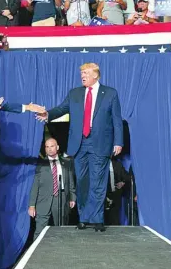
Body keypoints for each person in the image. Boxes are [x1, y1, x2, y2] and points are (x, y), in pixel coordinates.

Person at [36, 63, 123, 232]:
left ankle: (96, 219)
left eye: (86, 73)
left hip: (100, 143)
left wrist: (118, 141)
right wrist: (48, 114)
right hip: (79, 144)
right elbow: (61, 109)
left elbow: (116, 120)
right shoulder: (74, 93)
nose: (82, 75)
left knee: (98, 182)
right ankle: (84, 217)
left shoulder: (110, 93)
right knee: (82, 182)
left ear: (96, 75)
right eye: (81, 73)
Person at [28, 138, 76, 238]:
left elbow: (70, 181)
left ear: (57, 147)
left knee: (62, 229)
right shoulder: (40, 164)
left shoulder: (67, 162)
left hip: (61, 199)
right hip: (43, 201)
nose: (49, 149)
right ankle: (37, 252)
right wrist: (32, 205)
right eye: (47, 147)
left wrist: (72, 197)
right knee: (39, 231)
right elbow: (35, 185)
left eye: (52, 146)